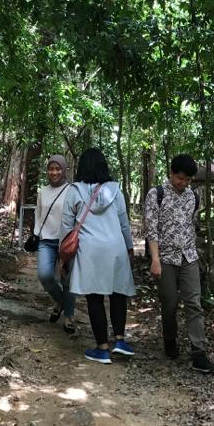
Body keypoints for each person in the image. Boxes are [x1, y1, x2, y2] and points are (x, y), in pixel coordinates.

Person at [60, 147, 136, 364]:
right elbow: (124, 223)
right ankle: (120, 341)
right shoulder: (115, 190)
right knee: (117, 293)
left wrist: (63, 256)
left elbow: (66, 225)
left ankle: (102, 348)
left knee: (94, 296)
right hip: (116, 248)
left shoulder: (74, 191)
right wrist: (129, 249)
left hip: (90, 250)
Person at [144, 153, 214, 374]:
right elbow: (151, 229)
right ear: (171, 174)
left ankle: (198, 352)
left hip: (189, 257)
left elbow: (191, 224)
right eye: (180, 178)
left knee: (194, 303)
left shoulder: (193, 197)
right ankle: (170, 338)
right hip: (165, 258)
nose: (183, 183)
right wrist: (155, 259)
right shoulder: (156, 194)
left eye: (188, 180)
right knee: (170, 304)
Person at [34, 155, 75, 334]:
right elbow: (39, 214)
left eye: (58, 169)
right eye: (51, 169)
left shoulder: (72, 190)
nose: (54, 172)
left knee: (68, 280)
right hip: (46, 240)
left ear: (65, 169)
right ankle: (61, 302)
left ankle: (69, 317)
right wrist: (37, 234)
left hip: (66, 242)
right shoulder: (43, 191)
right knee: (44, 275)